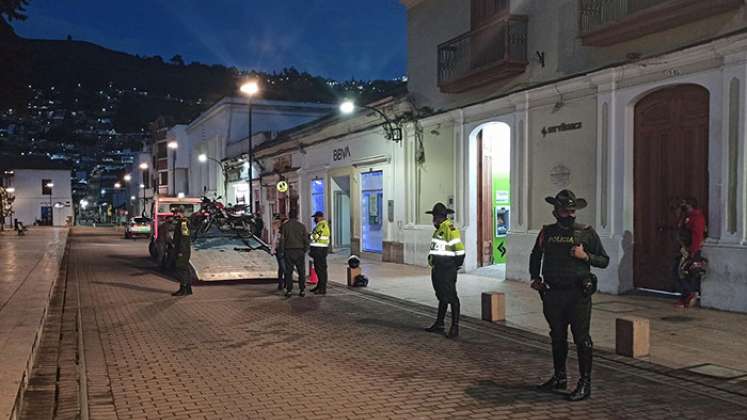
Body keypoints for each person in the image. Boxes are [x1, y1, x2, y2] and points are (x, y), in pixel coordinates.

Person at [530, 189, 609, 401]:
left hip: (577, 294)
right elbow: (535, 255)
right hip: (553, 292)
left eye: (572, 210)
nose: (569, 214)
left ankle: (585, 383)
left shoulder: (586, 232)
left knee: (582, 339)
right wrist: (534, 277)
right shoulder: (546, 232)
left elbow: (604, 260)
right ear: (556, 211)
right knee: (557, 337)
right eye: (565, 210)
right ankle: (560, 377)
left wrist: (585, 256)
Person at [424, 202, 464, 339]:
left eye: (434, 217)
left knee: (452, 296)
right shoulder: (439, 229)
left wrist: (453, 266)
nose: (433, 220)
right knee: (441, 296)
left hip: (447, 269)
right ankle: (440, 323)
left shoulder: (449, 229)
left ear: (440, 217)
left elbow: (459, 251)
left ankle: (455, 326)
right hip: (438, 269)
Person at [674, 198, 707, 308]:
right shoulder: (686, 216)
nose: (683, 207)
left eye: (685, 205)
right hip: (684, 248)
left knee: (683, 272)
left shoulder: (697, 217)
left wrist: (693, 251)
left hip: (691, 250)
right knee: (680, 272)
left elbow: (697, 236)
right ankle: (686, 296)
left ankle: (690, 293)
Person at [279, 209, 309, 297]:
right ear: (297, 215)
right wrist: (305, 250)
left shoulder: (285, 226)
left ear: (289, 216)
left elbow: (282, 240)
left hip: (289, 251)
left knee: (289, 272)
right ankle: (302, 290)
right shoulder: (302, 226)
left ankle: (289, 290)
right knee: (301, 271)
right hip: (299, 251)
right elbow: (306, 240)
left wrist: (282, 251)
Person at [171, 206, 193, 296]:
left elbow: (184, 238)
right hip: (183, 249)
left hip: (182, 250)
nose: (174, 215)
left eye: (175, 213)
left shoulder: (183, 223)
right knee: (185, 268)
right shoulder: (182, 222)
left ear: (180, 213)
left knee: (181, 269)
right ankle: (188, 289)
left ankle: (183, 289)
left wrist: (181, 251)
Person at [309, 211, 330, 295]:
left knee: (321, 270)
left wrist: (309, 235)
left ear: (320, 217)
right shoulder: (320, 225)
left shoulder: (322, 225)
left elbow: (315, 236)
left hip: (320, 250)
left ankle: (322, 288)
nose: (315, 219)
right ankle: (319, 286)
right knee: (318, 269)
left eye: (316, 217)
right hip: (318, 250)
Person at [271, 214, 288, 290]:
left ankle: (281, 283)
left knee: (282, 267)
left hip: (281, 249)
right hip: (282, 249)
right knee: (283, 267)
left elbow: (275, 239)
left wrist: (273, 249)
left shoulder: (278, 227)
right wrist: (273, 249)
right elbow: (275, 239)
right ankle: (285, 283)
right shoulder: (280, 229)